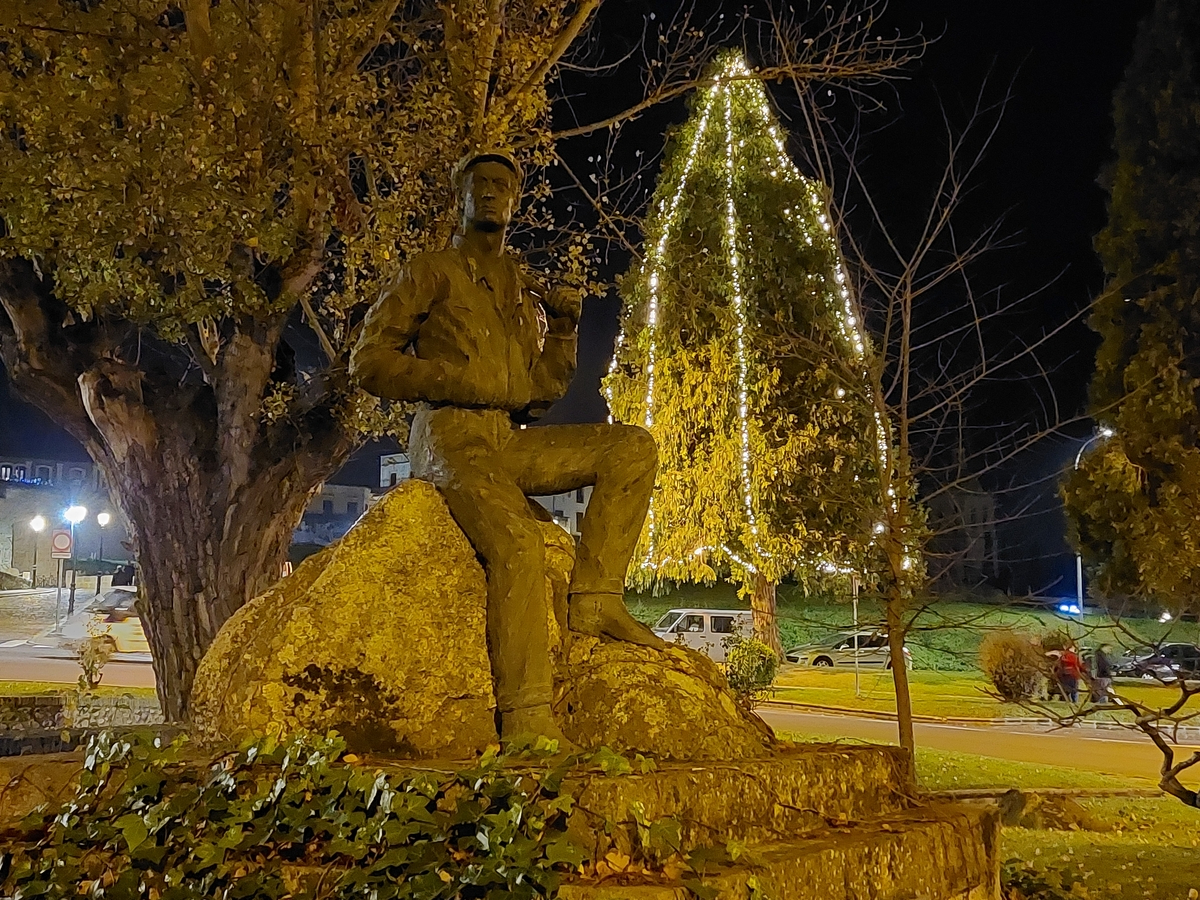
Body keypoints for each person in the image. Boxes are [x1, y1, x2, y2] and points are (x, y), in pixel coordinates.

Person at [350, 148, 663, 749]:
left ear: (515, 202)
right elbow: (370, 362)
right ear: (460, 196)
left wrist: (566, 329)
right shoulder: (430, 270)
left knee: (630, 447)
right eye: (481, 184)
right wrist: (455, 380)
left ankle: (595, 599)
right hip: (448, 436)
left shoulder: (517, 289)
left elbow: (536, 396)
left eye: (502, 186)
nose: (492, 193)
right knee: (515, 540)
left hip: (506, 440)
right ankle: (528, 721)